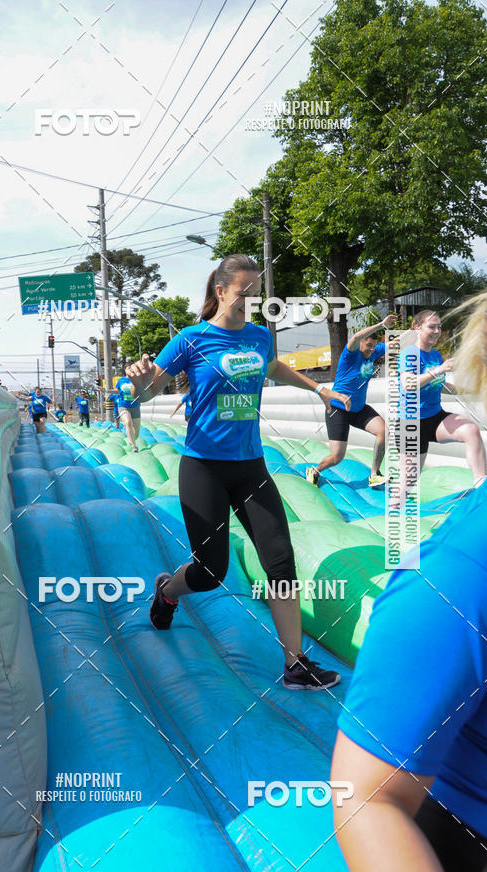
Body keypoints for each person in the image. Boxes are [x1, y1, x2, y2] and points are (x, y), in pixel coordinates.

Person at [331, 291, 487, 872]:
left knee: (469, 431)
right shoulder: (401, 358)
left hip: (426, 418)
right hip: (393, 415)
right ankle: (369, 493)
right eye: (425, 326)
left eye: (432, 326)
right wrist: (429, 366)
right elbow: (368, 799)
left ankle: (471, 481)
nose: (429, 331)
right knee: (392, 476)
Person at [126, 254, 352, 690]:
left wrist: (319, 387)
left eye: (255, 294)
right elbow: (152, 387)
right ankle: (168, 592)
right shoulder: (191, 339)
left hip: (251, 467)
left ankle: (295, 664)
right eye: (243, 293)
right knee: (211, 572)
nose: (249, 301)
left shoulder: (259, 337)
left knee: (281, 563)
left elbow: (273, 367)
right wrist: (138, 380)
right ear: (220, 291)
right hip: (203, 469)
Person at [394, 309, 487, 504]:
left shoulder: (435, 355)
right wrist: (440, 370)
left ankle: (482, 489)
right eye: (431, 327)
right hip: (410, 424)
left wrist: (468, 390)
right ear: (417, 328)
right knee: (407, 482)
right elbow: (408, 384)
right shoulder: (409, 354)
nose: (437, 331)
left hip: (434, 418)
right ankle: (394, 511)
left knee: (471, 430)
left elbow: (439, 384)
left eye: (439, 327)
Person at [306, 315, 397, 488]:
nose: (371, 349)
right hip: (338, 409)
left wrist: (416, 332)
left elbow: (394, 343)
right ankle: (315, 471)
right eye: (368, 345)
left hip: (359, 409)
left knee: (384, 431)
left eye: (373, 346)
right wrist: (381, 324)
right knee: (337, 457)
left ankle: (374, 474)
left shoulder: (374, 353)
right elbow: (355, 337)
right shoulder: (350, 355)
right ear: (361, 343)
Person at [116, 365, 141, 452]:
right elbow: (117, 391)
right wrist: (105, 390)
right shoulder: (121, 380)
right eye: (128, 368)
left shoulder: (138, 378)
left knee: (137, 432)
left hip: (135, 406)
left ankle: (133, 439)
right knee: (128, 422)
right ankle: (134, 446)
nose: (130, 369)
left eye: (131, 367)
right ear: (125, 370)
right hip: (123, 405)